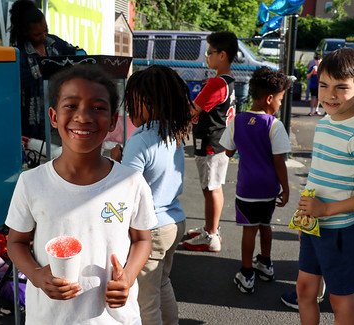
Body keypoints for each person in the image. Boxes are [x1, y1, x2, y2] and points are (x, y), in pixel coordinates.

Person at [5, 64, 157, 324]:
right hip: (50, 317)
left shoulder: (131, 182)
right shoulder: (31, 182)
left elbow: (142, 239)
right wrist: (37, 275)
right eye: (71, 105)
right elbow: (16, 242)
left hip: (112, 318)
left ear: (112, 121)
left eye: (97, 107)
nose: (83, 116)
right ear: (53, 116)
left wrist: (128, 278)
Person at [110, 65, 192, 324]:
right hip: (174, 221)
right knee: (161, 284)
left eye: (133, 104)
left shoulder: (141, 138)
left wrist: (115, 162)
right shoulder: (173, 132)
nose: (130, 111)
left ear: (149, 102)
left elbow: (126, 185)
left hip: (151, 229)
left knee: (145, 300)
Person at [295, 47, 354, 324]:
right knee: (304, 290)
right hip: (314, 225)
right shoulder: (324, 124)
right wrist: (305, 217)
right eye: (323, 85)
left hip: (342, 230)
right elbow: (318, 175)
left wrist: (326, 209)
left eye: (341, 87)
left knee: (340, 301)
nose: (330, 95)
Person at [219, 67, 291, 293]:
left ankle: (247, 273)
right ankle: (266, 264)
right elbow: (279, 161)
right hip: (269, 188)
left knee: (249, 229)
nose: (279, 104)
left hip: (246, 188)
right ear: (270, 98)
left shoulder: (237, 120)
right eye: (280, 100)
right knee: (265, 225)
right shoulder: (274, 125)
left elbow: (228, 152)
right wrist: (286, 188)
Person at [183, 31, 238, 252]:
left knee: (211, 188)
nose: (207, 56)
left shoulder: (216, 83)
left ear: (222, 55)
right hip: (219, 142)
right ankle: (210, 227)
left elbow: (192, 110)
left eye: (210, 52)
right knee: (213, 188)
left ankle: (211, 235)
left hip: (211, 143)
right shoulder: (228, 81)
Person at [9, 0, 83, 140]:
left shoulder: (55, 43)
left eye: (45, 31)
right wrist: (43, 69)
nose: (43, 36)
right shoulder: (20, 53)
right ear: (25, 32)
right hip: (33, 123)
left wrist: (80, 57)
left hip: (60, 118)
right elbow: (18, 82)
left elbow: (75, 53)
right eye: (37, 34)